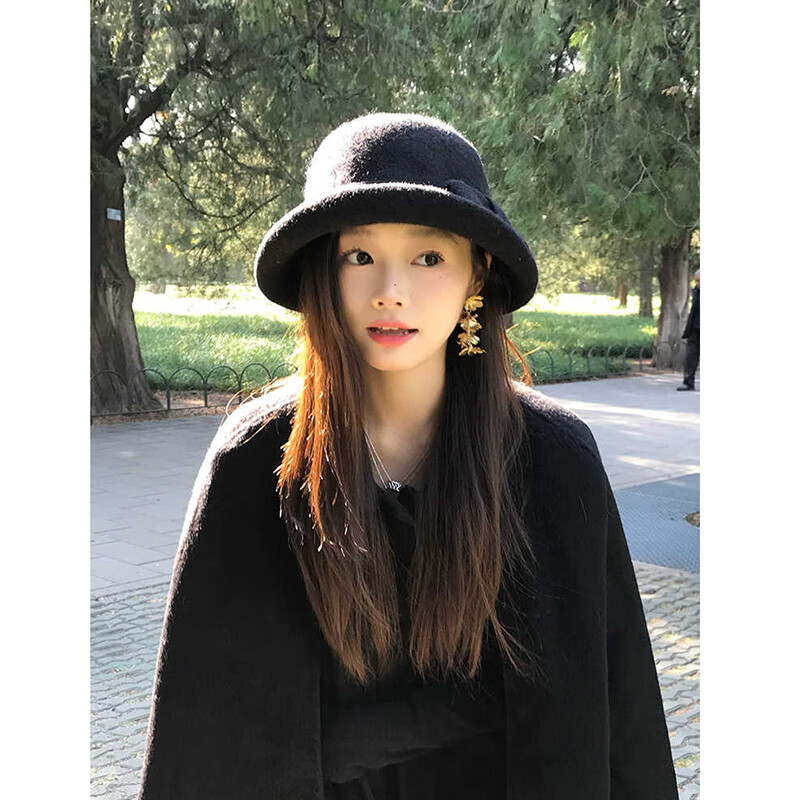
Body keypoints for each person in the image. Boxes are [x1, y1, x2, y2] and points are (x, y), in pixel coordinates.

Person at [138, 113, 678, 799]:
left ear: (478, 273)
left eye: (428, 257)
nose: (391, 290)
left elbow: (616, 709)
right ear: (322, 272)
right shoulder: (256, 460)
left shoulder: (551, 458)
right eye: (359, 256)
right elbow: (207, 730)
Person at [678, 269, 700, 391]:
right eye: (696, 280)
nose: (697, 283)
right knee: (690, 356)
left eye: (699, 281)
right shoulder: (696, 291)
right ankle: (688, 382)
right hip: (695, 328)